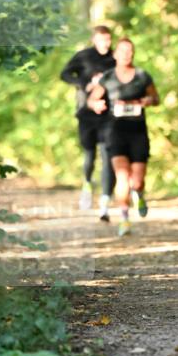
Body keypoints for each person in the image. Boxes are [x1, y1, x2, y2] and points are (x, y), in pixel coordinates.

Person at [87, 38, 159, 237]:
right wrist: (96, 105)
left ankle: (140, 194)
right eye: (123, 51)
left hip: (137, 133)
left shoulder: (143, 76)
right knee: (121, 177)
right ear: (115, 54)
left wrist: (148, 100)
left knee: (136, 181)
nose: (126, 54)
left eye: (130, 51)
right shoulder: (108, 77)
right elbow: (92, 98)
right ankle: (125, 219)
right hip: (115, 132)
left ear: (133, 54)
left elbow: (156, 98)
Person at [60, 25, 116, 220]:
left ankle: (105, 203)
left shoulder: (114, 58)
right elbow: (65, 74)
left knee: (107, 154)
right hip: (86, 113)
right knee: (90, 156)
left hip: (108, 114)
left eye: (108, 40)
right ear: (94, 40)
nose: (105, 44)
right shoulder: (84, 56)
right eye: (102, 40)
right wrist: (83, 85)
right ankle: (86, 184)